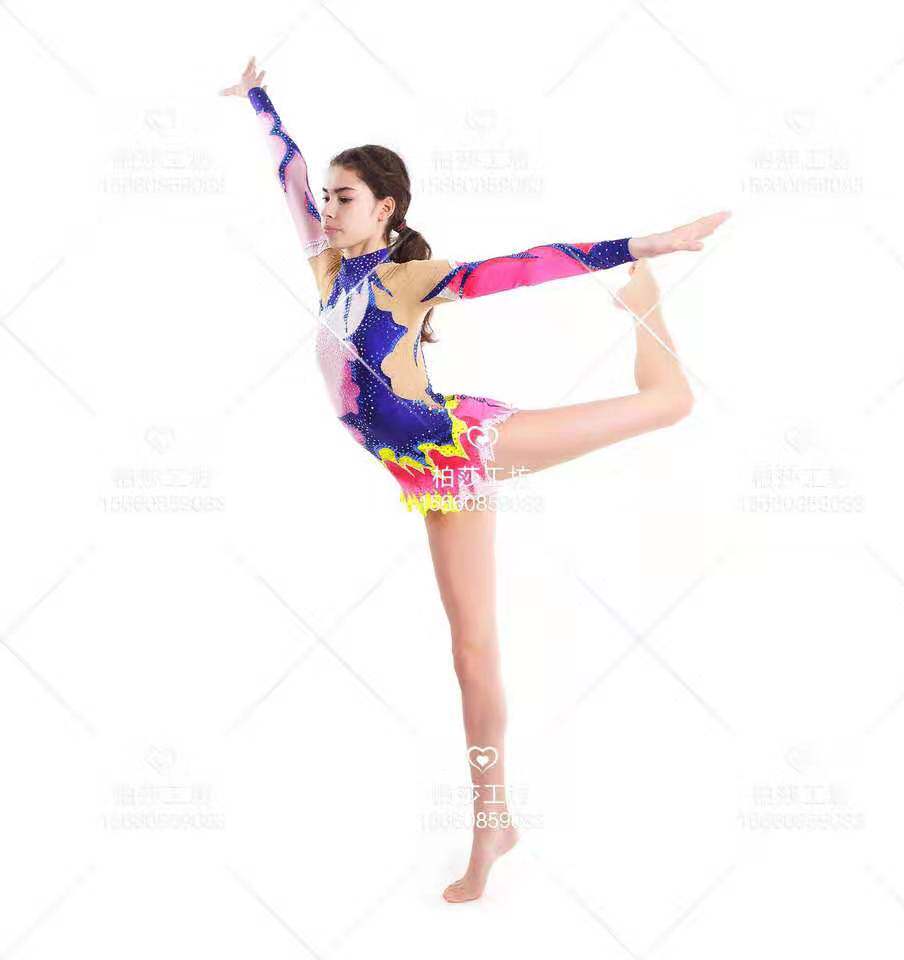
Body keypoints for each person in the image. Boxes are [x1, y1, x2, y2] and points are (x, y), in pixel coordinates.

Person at [221, 55, 730, 903]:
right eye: (330, 199)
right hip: (430, 477)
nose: (328, 210)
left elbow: (524, 265)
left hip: (466, 446)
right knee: (471, 653)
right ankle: (494, 821)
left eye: (346, 199)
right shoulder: (328, 269)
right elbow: (291, 175)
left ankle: (646, 304)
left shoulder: (409, 278)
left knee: (669, 403)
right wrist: (260, 101)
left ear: (385, 209)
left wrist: (643, 244)